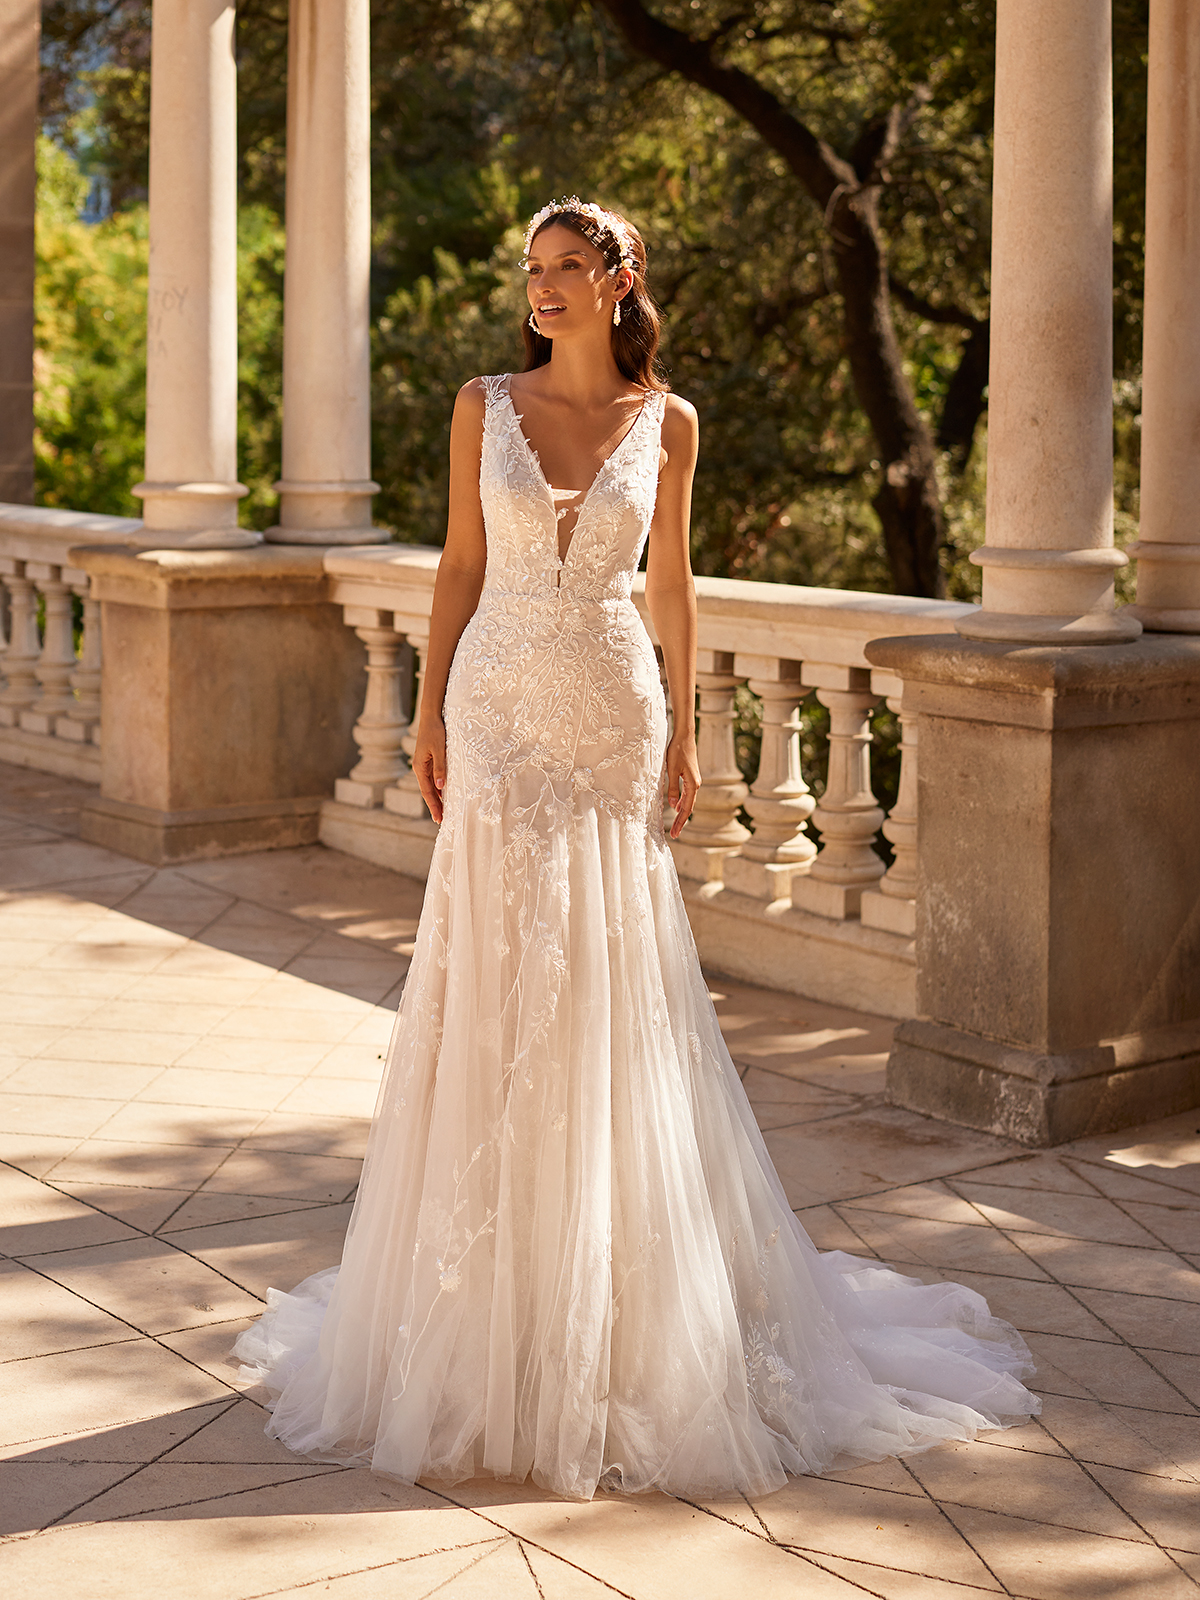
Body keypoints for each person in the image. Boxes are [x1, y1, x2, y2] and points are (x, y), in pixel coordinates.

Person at [234, 197, 1039, 1500]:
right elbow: (454, 567)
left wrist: (683, 729)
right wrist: (429, 709)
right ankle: (493, 1308)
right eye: (533, 271)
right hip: (498, 710)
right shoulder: (478, 405)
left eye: (568, 269)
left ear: (621, 278)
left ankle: (616, 1311)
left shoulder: (670, 424)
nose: (544, 290)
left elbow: (671, 584)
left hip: (613, 714)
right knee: (496, 986)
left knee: (610, 996)